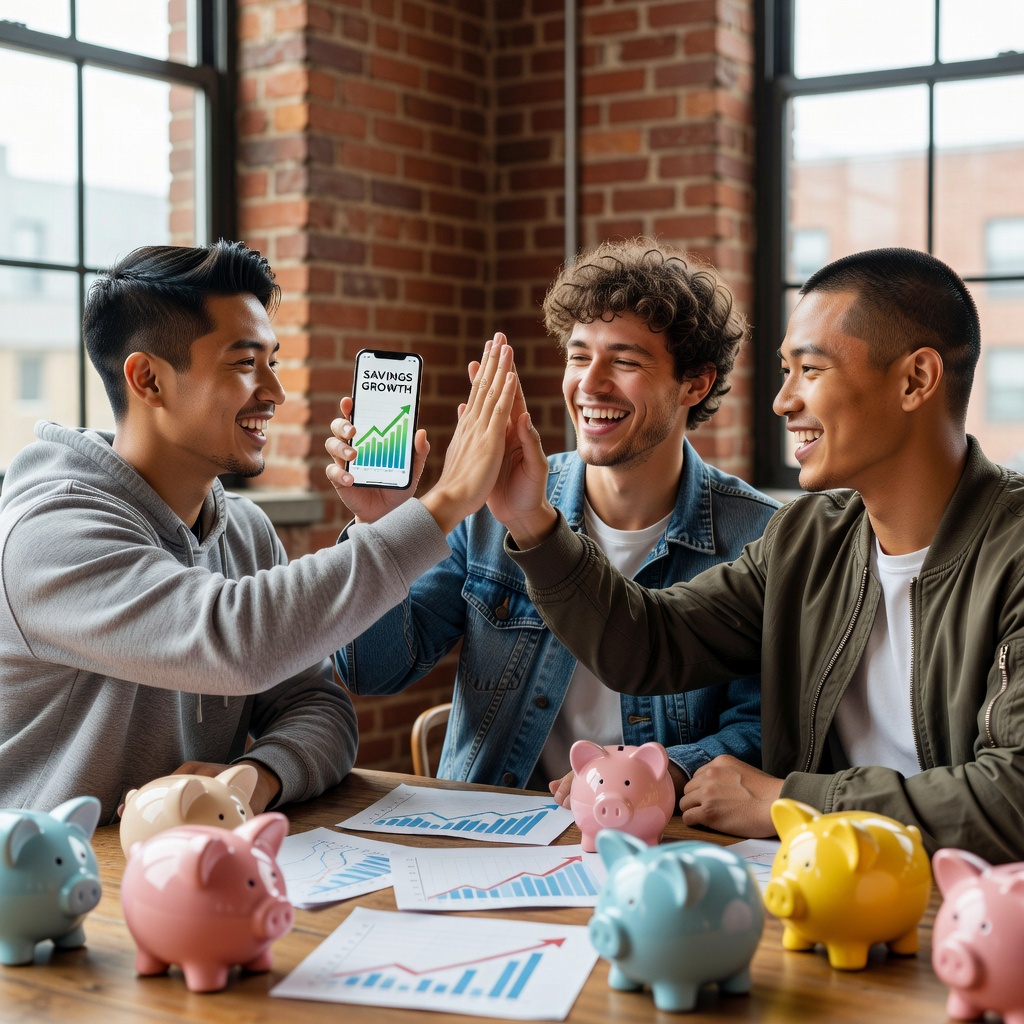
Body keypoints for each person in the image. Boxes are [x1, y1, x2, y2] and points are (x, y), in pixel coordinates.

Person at [495, 246, 1024, 862]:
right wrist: (532, 521)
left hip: (969, 908)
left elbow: (1011, 795)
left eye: (811, 370)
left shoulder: (1011, 550)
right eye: (784, 370)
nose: (783, 401)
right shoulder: (808, 538)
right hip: (813, 884)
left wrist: (790, 803)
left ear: (915, 380)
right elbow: (650, 642)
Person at [0, 240, 519, 824]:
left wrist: (253, 776)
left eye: (271, 360)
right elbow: (234, 639)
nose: (273, 391)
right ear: (147, 380)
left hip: (199, 871)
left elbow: (319, 707)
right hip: (45, 883)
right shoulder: (49, 534)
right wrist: (446, 503)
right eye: (245, 363)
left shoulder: (243, 531)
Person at [330, 239, 778, 801]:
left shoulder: (760, 538)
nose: (590, 383)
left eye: (626, 360)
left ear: (695, 383)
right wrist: (382, 528)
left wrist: (659, 771)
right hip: (490, 834)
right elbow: (373, 671)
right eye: (578, 355)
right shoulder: (494, 513)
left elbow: (762, 730)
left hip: (654, 830)